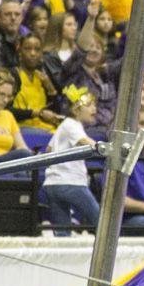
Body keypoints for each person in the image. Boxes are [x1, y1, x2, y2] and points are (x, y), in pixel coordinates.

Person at [42, 86, 100, 236]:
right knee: (101, 220)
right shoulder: (72, 125)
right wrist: (104, 148)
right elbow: (85, 142)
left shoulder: (63, 126)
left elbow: (48, 149)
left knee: (62, 232)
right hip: (71, 183)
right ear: (76, 109)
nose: (95, 108)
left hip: (52, 184)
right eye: (89, 105)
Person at [0, 68, 31, 164]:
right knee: (22, 155)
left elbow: (22, 146)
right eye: (2, 94)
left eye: (9, 96)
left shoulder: (8, 116)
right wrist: (5, 157)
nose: (6, 100)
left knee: (27, 155)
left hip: (7, 166)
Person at [0, 0, 23, 73]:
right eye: (8, 14)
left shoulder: (26, 38)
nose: (13, 18)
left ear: (22, 18)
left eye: (17, 14)